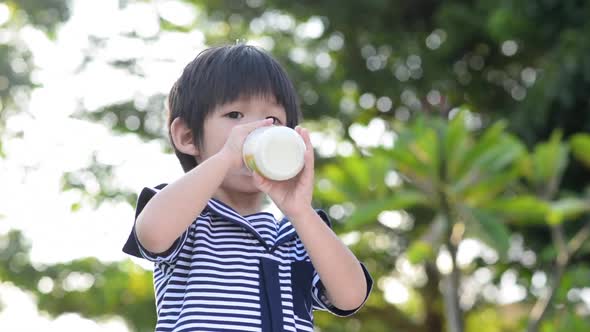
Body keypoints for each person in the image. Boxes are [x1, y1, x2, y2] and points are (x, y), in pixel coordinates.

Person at [123, 43, 372, 332]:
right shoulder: (189, 220)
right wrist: (227, 157)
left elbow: (351, 297)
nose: (256, 129)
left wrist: (301, 212)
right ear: (188, 136)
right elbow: (152, 232)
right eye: (235, 115)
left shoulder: (296, 235)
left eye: (273, 120)